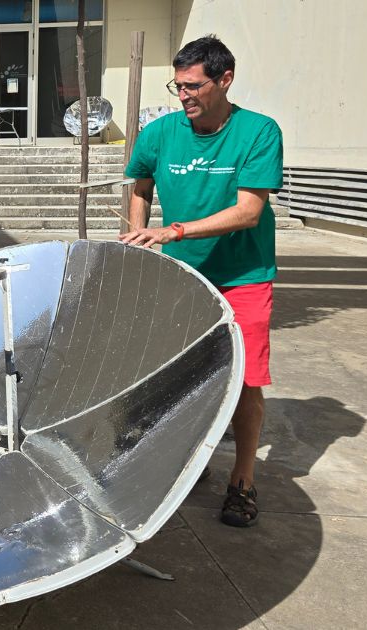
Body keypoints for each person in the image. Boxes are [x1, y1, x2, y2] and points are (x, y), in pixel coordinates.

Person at [119, 36, 283, 528]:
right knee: (182, 375)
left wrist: (174, 231)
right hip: (181, 275)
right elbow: (140, 187)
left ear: (224, 79)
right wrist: (136, 232)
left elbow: (250, 211)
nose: (183, 95)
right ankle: (188, 461)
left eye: (193, 86)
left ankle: (243, 480)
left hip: (243, 276)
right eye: (178, 85)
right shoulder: (161, 133)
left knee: (247, 380)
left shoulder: (258, 131)